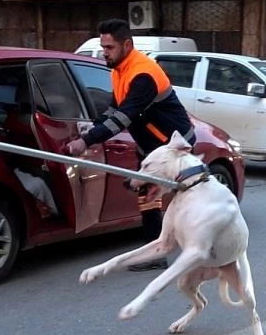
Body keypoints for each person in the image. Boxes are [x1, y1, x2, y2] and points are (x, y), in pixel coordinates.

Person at [65, 19, 196, 272]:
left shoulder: (142, 74)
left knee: (186, 192)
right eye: (103, 47)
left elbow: (124, 118)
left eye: (109, 47)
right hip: (153, 145)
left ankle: (194, 244)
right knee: (148, 195)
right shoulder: (119, 69)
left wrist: (87, 140)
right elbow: (116, 108)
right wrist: (92, 126)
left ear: (127, 44)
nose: (105, 52)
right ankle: (157, 250)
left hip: (174, 145)